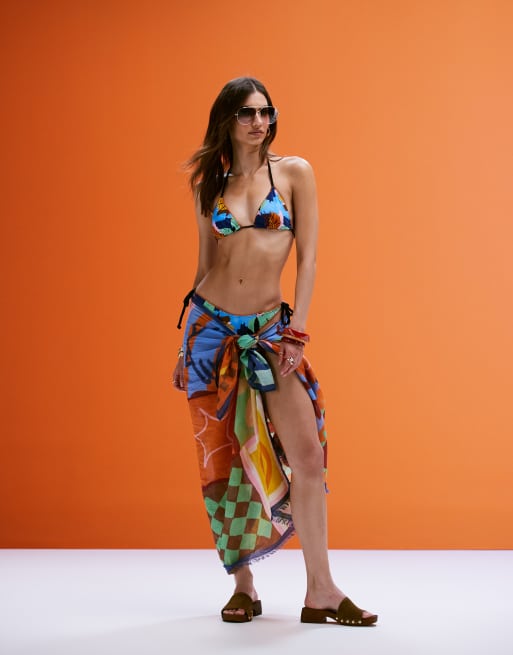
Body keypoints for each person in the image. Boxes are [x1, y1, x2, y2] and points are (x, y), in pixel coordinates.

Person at [172, 76, 377, 627]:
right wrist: (185, 342)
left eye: (266, 112)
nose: (259, 122)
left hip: (269, 331)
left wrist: (297, 331)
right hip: (210, 332)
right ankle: (243, 586)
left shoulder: (292, 173)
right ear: (226, 120)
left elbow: (309, 258)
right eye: (247, 113)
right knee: (223, 463)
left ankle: (321, 590)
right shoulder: (209, 185)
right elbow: (204, 266)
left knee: (306, 455)